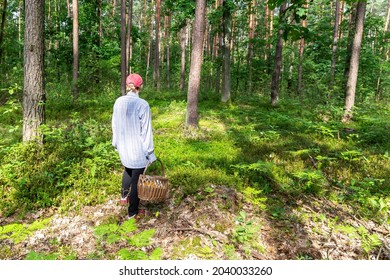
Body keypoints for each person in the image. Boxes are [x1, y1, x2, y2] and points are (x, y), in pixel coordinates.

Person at [112, 73, 156, 219]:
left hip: (124, 147)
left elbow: (115, 124)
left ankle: (124, 197)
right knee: (137, 180)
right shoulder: (142, 104)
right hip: (137, 149)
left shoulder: (118, 101)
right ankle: (132, 213)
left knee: (128, 169)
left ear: (127, 85)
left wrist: (116, 143)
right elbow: (146, 131)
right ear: (140, 86)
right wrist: (150, 153)